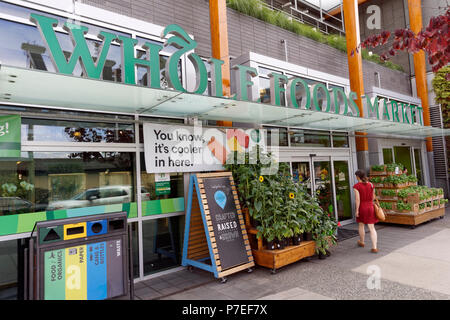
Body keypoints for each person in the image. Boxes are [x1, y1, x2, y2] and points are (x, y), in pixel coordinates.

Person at [353, 169, 378, 253]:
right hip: (370, 206)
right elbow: (373, 197)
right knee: (372, 227)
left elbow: (357, 200)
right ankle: (374, 247)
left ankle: (362, 242)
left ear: (357, 176)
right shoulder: (371, 184)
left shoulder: (357, 186)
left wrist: (357, 210)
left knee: (361, 225)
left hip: (362, 207)